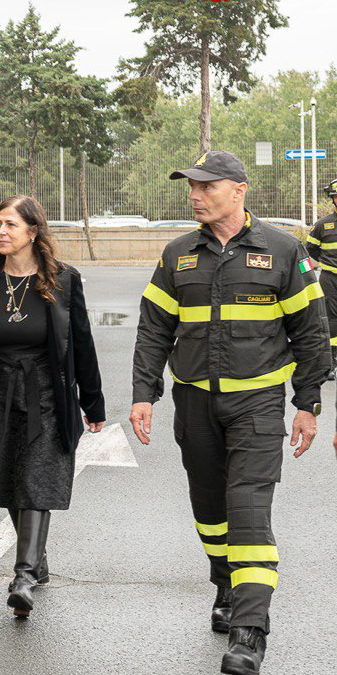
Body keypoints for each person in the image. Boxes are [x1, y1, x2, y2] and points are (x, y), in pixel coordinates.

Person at [131, 151, 328, 675]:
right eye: (190, 187)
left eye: (205, 187)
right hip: (195, 404)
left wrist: (307, 403)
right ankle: (223, 580)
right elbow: (154, 330)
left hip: (258, 406)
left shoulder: (285, 252)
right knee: (210, 511)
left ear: (239, 190)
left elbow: (312, 336)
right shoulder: (177, 255)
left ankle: (249, 632)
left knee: (248, 512)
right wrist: (143, 393)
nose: (194, 195)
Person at [0, 195, 105, 618]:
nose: (0, 231)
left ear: (33, 232)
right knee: (5, 478)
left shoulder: (63, 279)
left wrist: (93, 403)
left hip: (45, 394)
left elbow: (82, 344)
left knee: (36, 476)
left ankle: (22, 575)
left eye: (10, 225)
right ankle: (37, 561)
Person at [304, 177, 337, 367]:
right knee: (330, 319)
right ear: (332, 199)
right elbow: (311, 249)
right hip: (330, 278)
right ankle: (331, 362)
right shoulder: (322, 225)